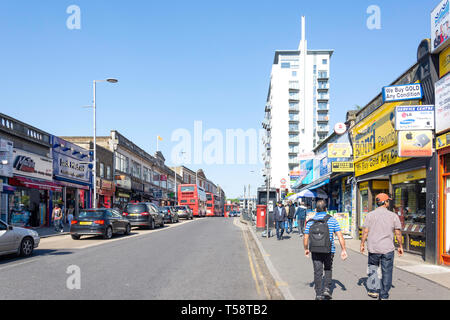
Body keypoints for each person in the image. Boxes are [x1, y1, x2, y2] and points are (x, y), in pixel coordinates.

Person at [360, 193, 404, 300]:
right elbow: (398, 232)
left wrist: (362, 244)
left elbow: (365, 231)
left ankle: (373, 291)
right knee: (387, 271)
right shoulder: (393, 216)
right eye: (388, 201)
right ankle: (384, 295)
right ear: (385, 202)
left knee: (373, 268)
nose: (389, 202)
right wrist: (400, 245)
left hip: (373, 247)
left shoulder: (370, 215)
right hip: (387, 248)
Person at [303, 200, 348, 300]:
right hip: (329, 250)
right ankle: (327, 289)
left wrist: (306, 249)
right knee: (328, 268)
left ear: (315, 210)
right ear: (326, 209)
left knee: (317, 271)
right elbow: (340, 236)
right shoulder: (332, 220)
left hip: (315, 250)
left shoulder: (310, 221)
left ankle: (318, 293)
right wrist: (343, 249)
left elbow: (306, 237)